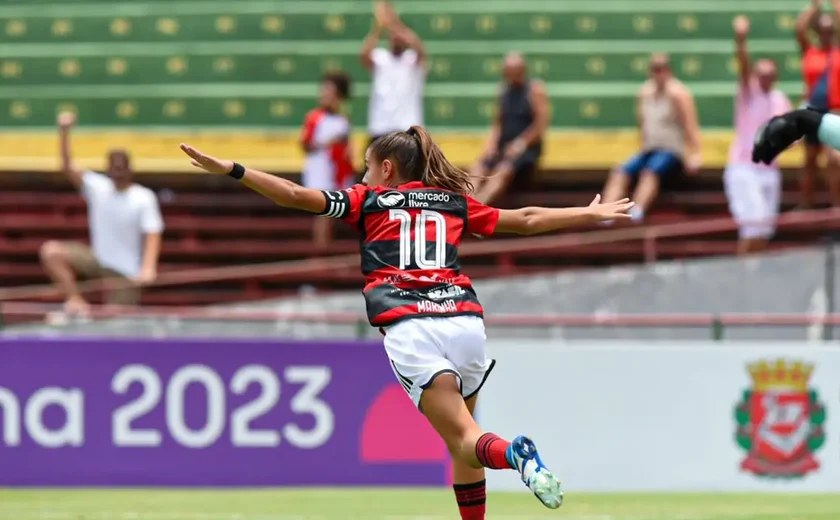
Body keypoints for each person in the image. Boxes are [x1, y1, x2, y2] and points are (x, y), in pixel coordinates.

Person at [179, 126, 633, 517]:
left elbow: (297, 196)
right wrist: (587, 213)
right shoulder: (450, 201)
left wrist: (233, 170)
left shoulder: (368, 200)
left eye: (366, 166)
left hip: (412, 326)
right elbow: (526, 218)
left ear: (387, 169)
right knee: (463, 438)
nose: (362, 175)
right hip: (464, 323)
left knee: (466, 439)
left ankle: (515, 454)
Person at [39, 112, 164, 315]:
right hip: (97, 260)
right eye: (113, 166)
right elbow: (67, 165)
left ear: (130, 168)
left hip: (126, 270)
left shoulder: (143, 197)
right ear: (108, 168)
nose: (117, 171)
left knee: (113, 320)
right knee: (52, 251)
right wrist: (64, 132)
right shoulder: (98, 187)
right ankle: (75, 301)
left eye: (121, 166)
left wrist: (148, 268)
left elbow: (153, 233)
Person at [600, 53, 702, 223]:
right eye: (654, 69)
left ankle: (637, 210)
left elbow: (690, 125)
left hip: (671, 150)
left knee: (650, 172)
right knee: (620, 171)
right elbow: (642, 124)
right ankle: (605, 212)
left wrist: (695, 154)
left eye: (661, 69)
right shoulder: (645, 92)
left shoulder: (678, 94)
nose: (657, 74)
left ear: (668, 71)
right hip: (649, 148)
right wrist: (641, 145)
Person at [725, 16, 792, 255]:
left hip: (769, 171)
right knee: (753, 227)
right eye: (760, 73)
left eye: (769, 74)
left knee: (764, 229)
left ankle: (752, 272)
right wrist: (741, 40)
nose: (764, 78)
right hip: (745, 168)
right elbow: (743, 64)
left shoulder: (779, 100)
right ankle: (742, 273)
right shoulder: (748, 92)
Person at [470, 52, 550, 205]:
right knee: (478, 167)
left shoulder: (534, 90)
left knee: (502, 171)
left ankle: (478, 206)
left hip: (526, 149)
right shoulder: (503, 91)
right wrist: (491, 145)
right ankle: (466, 203)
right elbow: (498, 123)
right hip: (504, 145)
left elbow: (540, 123)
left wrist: (521, 144)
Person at [360, 0, 426, 146]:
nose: (395, 38)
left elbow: (421, 50)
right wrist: (378, 27)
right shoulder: (381, 58)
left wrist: (395, 23)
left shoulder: (412, 59)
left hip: (407, 129)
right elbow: (364, 55)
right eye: (392, 35)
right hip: (381, 128)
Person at [300, 72, 354, 249]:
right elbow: (306, 144)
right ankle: (320, 250)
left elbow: (348, 145)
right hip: (320, 169)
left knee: (333, 213)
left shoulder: (343, 119)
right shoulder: (314, 117)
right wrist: (328, 142)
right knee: (323, 212)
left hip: (338, 170)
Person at [795, 0, 840, 207]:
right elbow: (800, 28)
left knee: (834, 159)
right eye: (822, 29)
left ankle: (837, 205)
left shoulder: (838, 52)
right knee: (810, 160)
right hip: (813, 109)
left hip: (835, 111)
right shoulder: (810, 52)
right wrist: (815, 6)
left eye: (830, 29)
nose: (826, 33)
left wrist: (836, 6)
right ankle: (806, 204)